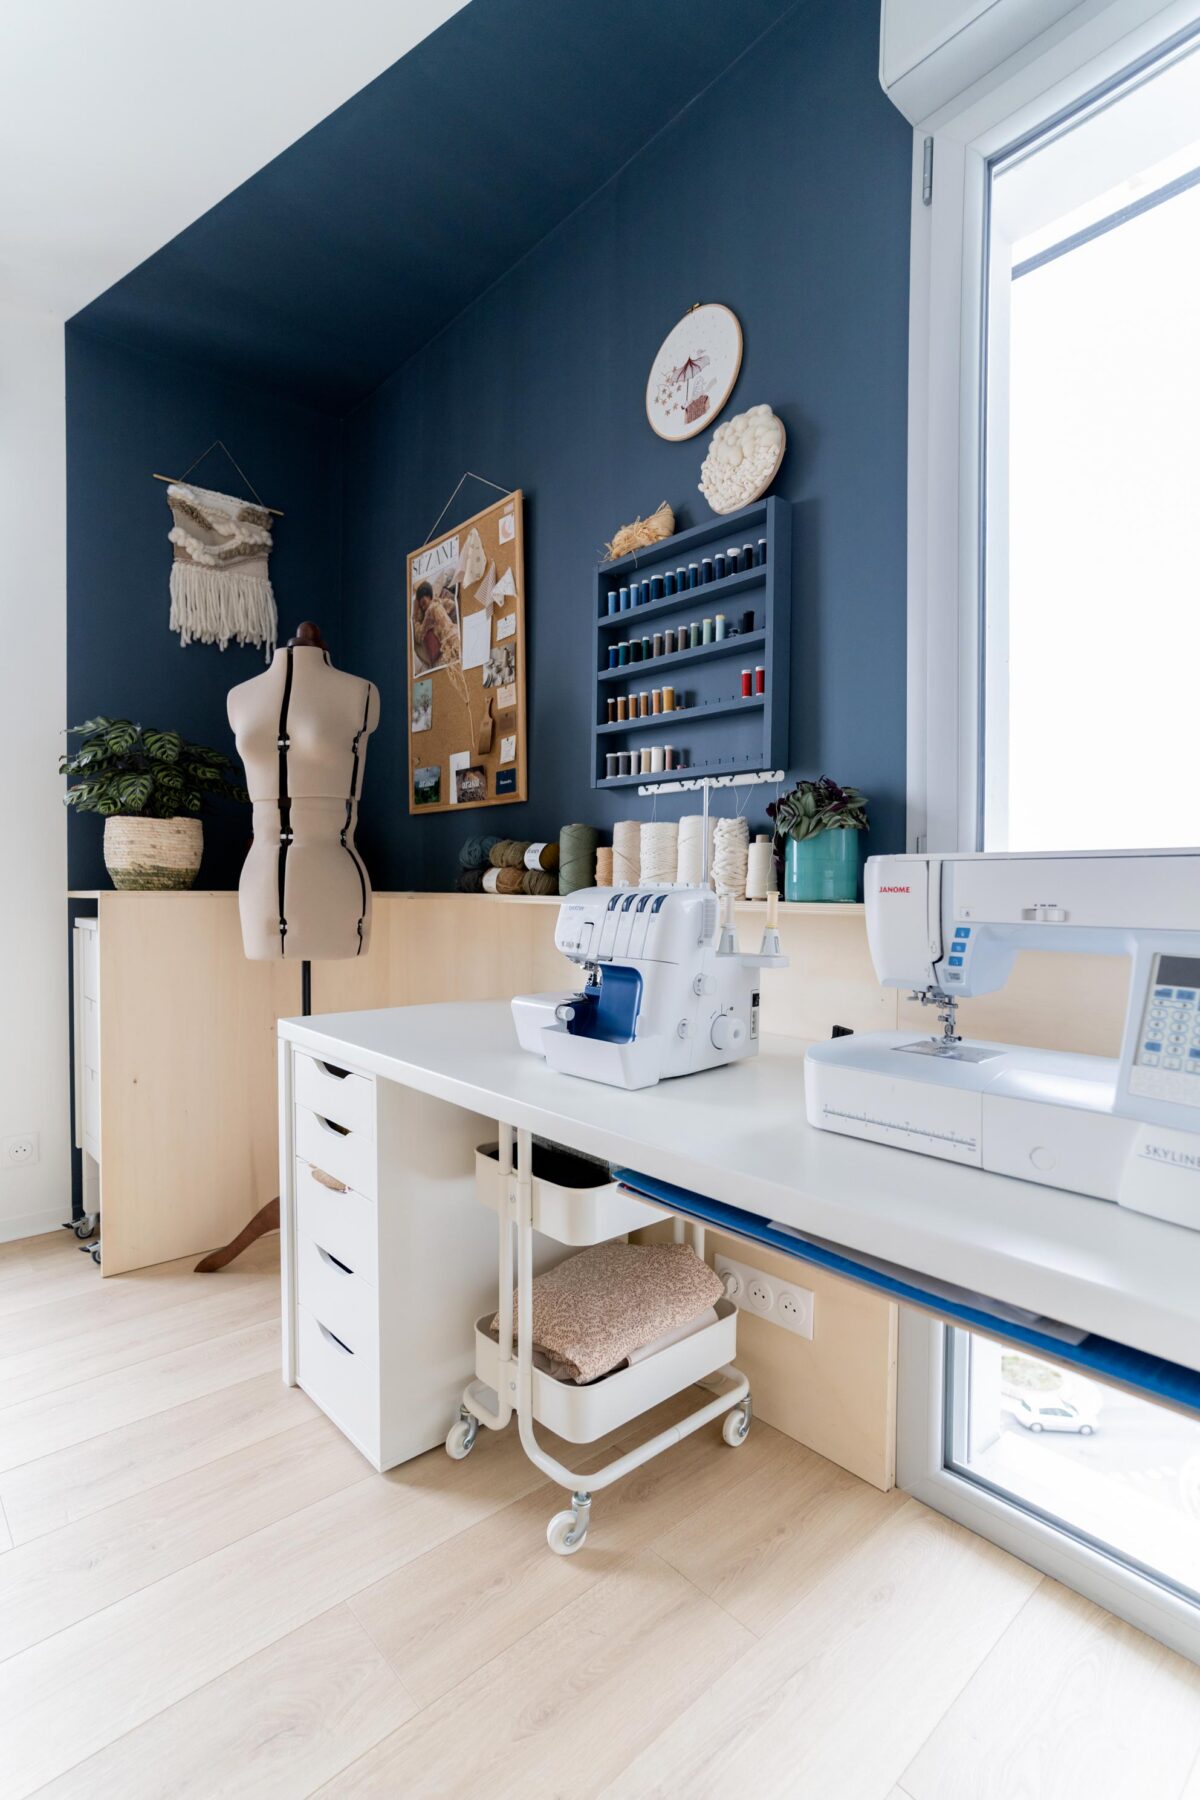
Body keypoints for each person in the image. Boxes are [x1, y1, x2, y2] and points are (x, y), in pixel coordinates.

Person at [413, 578, 461, 671]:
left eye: (423, 603)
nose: (423, 607)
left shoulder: (430, 611)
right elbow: (453, 605)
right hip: (455, 633)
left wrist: (416, 618)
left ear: (429, 596)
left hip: (449, 641)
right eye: (421, 606)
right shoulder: (440, 602)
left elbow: (419, 635)